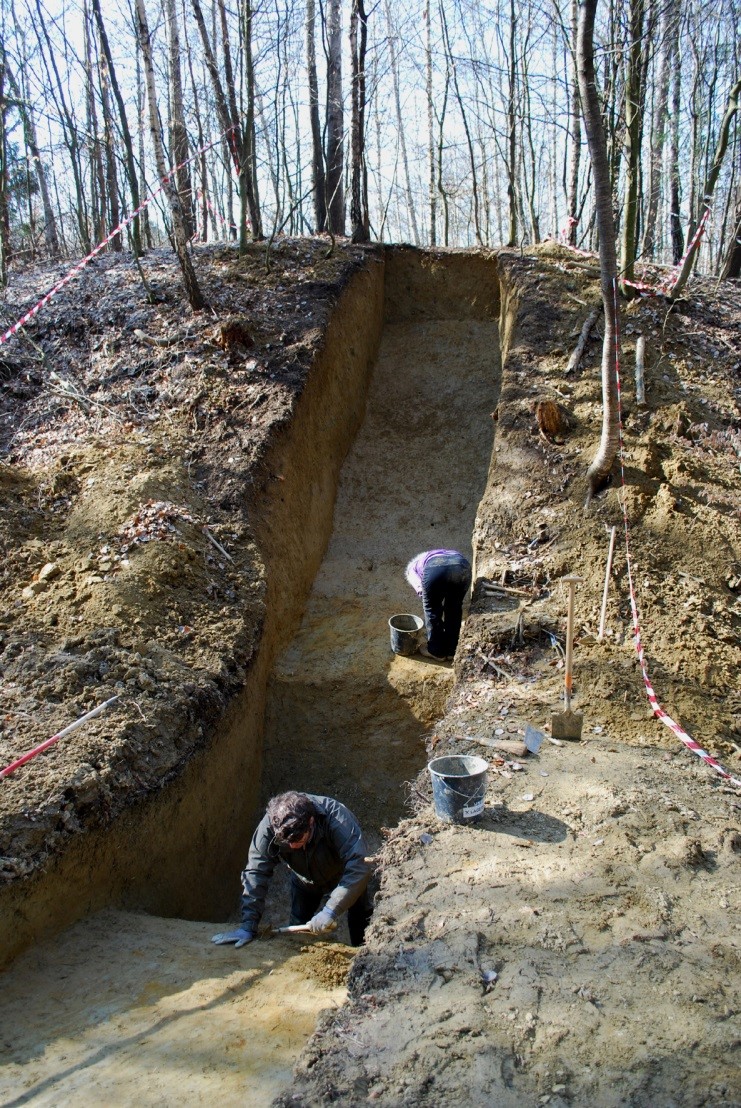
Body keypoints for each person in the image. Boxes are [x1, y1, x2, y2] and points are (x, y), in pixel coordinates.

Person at [211, 791, 373, 949]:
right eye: (287, 843)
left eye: (299, 840)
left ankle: (364, 954)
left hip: (344, 875)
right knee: (298, 924)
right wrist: (248, 925)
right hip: (304, 881)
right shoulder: (270, 825)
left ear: (311, 822)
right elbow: (256, 871)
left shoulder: (336, 818)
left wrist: (331, 910)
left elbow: (359, 864)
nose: (293, 846)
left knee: (361, 918)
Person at [405, 549, 472, 661]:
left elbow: (422, 593)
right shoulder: (433, 555)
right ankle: (452, 650)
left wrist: (432, 600)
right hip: (461, 565)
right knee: (454, 608)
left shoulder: (411, 570)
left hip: (435, 569)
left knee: (431, 608)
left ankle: (436, 651)